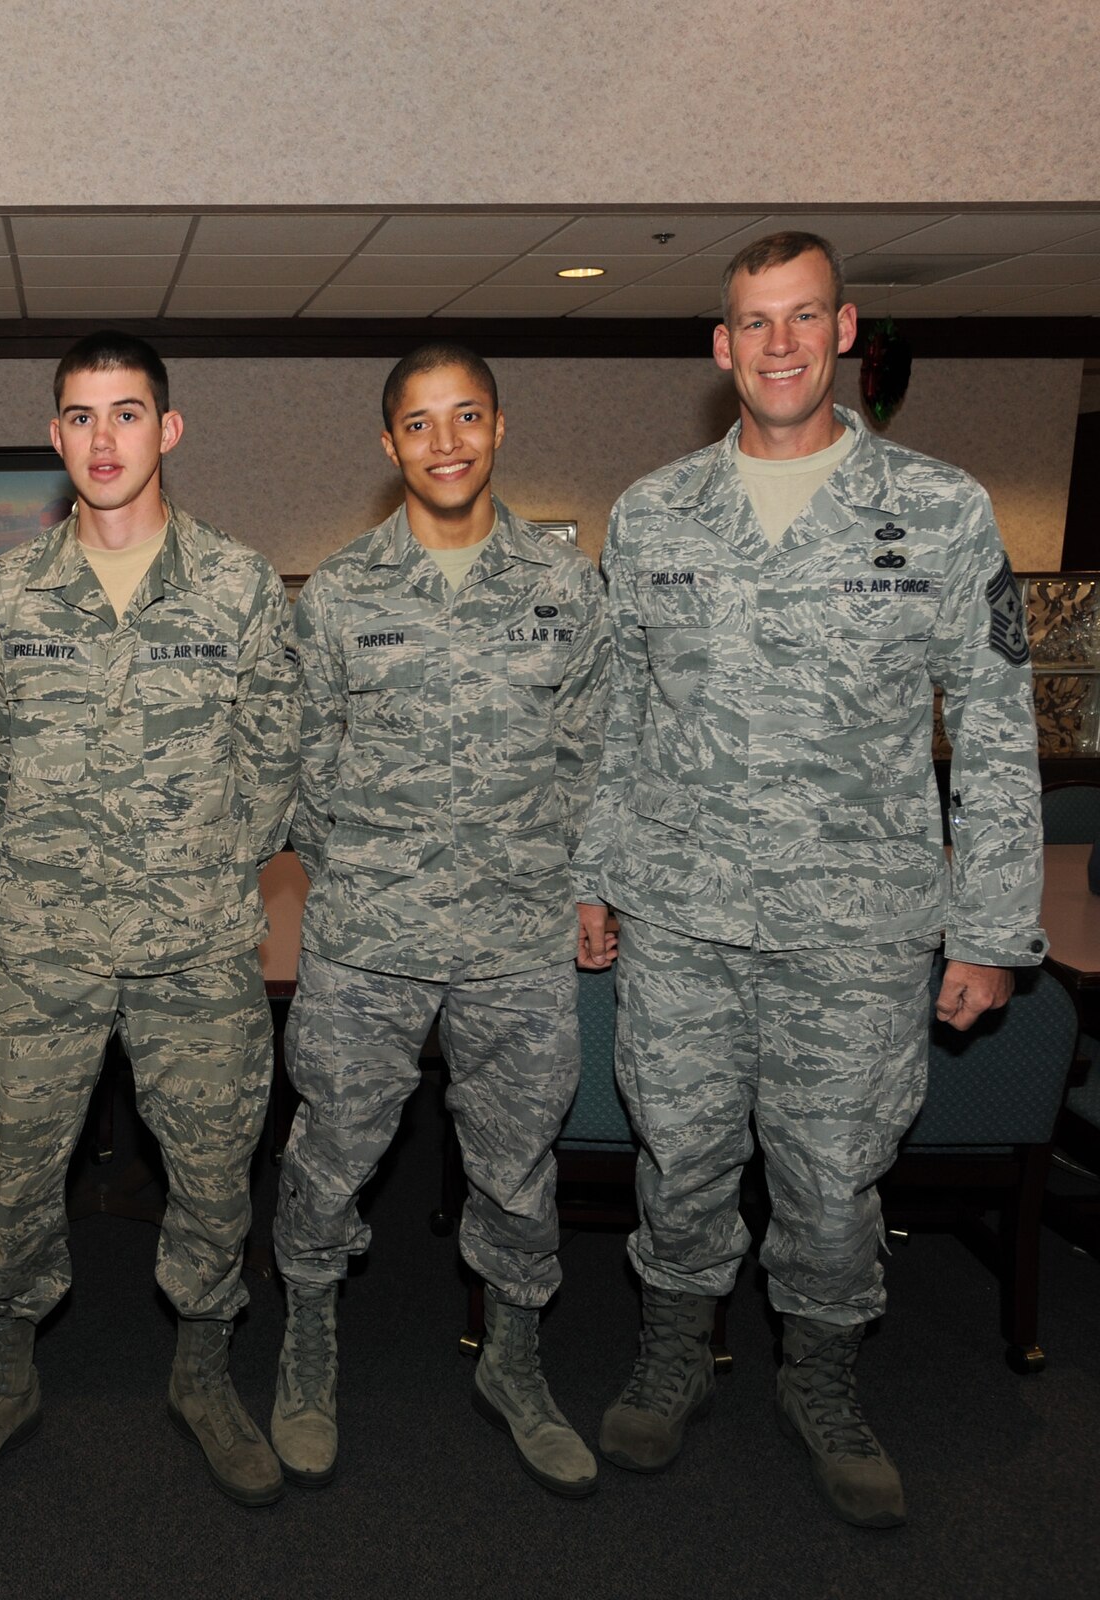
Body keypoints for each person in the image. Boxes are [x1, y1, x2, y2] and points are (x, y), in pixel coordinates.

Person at [572, 231, 1045, 1528]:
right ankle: (676, 1353)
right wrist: (592, 873)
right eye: (754, 323)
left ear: (844, 333)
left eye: (804, 318)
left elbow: (998, 727)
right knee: (678, 1158)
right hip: (684, 912)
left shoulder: (942, 509)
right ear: (721, 349)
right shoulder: (654, 512)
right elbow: (617, 716)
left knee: (836, 1181)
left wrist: (994, 929)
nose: (780, 344)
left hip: (861, 927)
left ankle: (823, 1381)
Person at [0, 331, 299, 1511]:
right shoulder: (10, 597)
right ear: (54, 435)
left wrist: (187, 866)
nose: (103, 440)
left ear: (167, 429)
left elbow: (275, 760)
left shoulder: (236, 585)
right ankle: (4, 1371)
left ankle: (199, 1367)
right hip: (44, 947)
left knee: (214, 1167)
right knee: (16, 1163)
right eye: (80, 417)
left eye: (126, 414)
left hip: (196, 949)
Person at [270, 345, 609, 1497]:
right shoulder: (340, 593)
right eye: (419, 424)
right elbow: (302, 766)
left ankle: (512, 1360)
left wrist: (573, 885)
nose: (446, 440)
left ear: (499, 426)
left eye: (465, 416)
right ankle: (308, 1345)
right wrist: (366, 873)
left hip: (516, 944)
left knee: (516, 1170)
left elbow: (594, 759)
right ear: (389, 445)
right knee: (329, 1156)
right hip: (367, 940)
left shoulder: (565, 589)